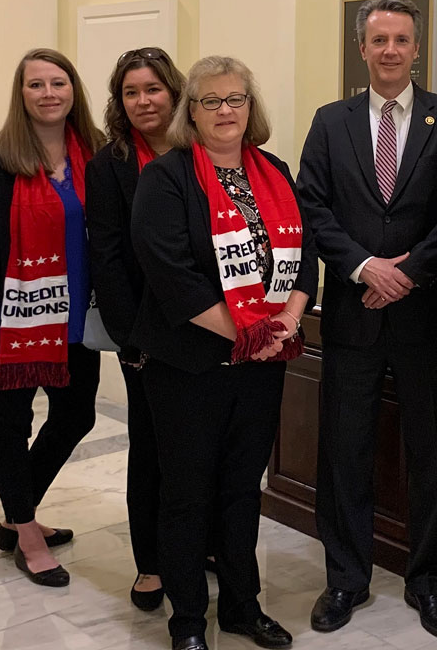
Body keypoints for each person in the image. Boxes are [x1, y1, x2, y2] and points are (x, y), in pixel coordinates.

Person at [297, 0, 437, 640]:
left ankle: (428, 583)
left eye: (402, 39)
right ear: (363, 48)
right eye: (380, 40)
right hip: (351, 312)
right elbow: (311, 206)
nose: (391, 50)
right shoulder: (330, 121)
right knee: (345, 450)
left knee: (431, 451)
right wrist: (363, 267)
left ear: (416, 48)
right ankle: (345, 577)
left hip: (428, 315)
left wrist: (404, 272)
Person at [130, 55, 316, 650]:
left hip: (260, 368)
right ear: (192, 111)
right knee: (187, 494)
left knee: (241, 489)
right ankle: (188, 622)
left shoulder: (275, 171)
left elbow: (303, 256)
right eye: (211, 101)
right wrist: (249, 334)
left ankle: (241, 606)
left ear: (250, 107)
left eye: (235, 99)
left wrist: (285, 321)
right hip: (189, 367)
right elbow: (173, 277)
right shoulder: (167, 178)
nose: (225, 110)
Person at [0, 48, 106, 587]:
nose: (49, 93)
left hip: (81, 314)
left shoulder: (97, 155)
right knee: (10, 423)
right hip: (11, 317)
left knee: (77, 416)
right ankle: (26, 530)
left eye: (59, 83)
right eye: (36, 85)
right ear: (20, 94)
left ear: (74, 90)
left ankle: (14, 510)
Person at [86, 46, 187, 610]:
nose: (143, 100)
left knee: (199, 445)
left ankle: (200, 546)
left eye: (153, 89)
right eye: (131, 92)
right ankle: (150, 562)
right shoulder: (110, 165)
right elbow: (105, 254)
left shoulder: (203, 150)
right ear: (119, 103)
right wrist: (130, 338)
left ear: (174, 92)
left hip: (209, 327)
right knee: (150, 445)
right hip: (145, 333)